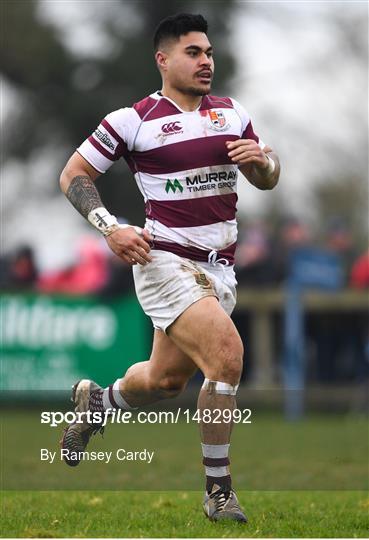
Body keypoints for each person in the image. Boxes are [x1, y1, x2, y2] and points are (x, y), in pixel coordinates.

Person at [59, 13, 280, 523]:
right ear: (163, 59)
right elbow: (73, 174)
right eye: (194, 53)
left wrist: (264, 164)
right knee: (227, 356)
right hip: (163, 262)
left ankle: (98, 402)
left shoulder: (232, 112)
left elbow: (267, 178)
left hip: (221, 269)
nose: (207, 62)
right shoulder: (132, 120)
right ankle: (219, 493)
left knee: (163, 382)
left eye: (209, 53)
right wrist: (109, 226)